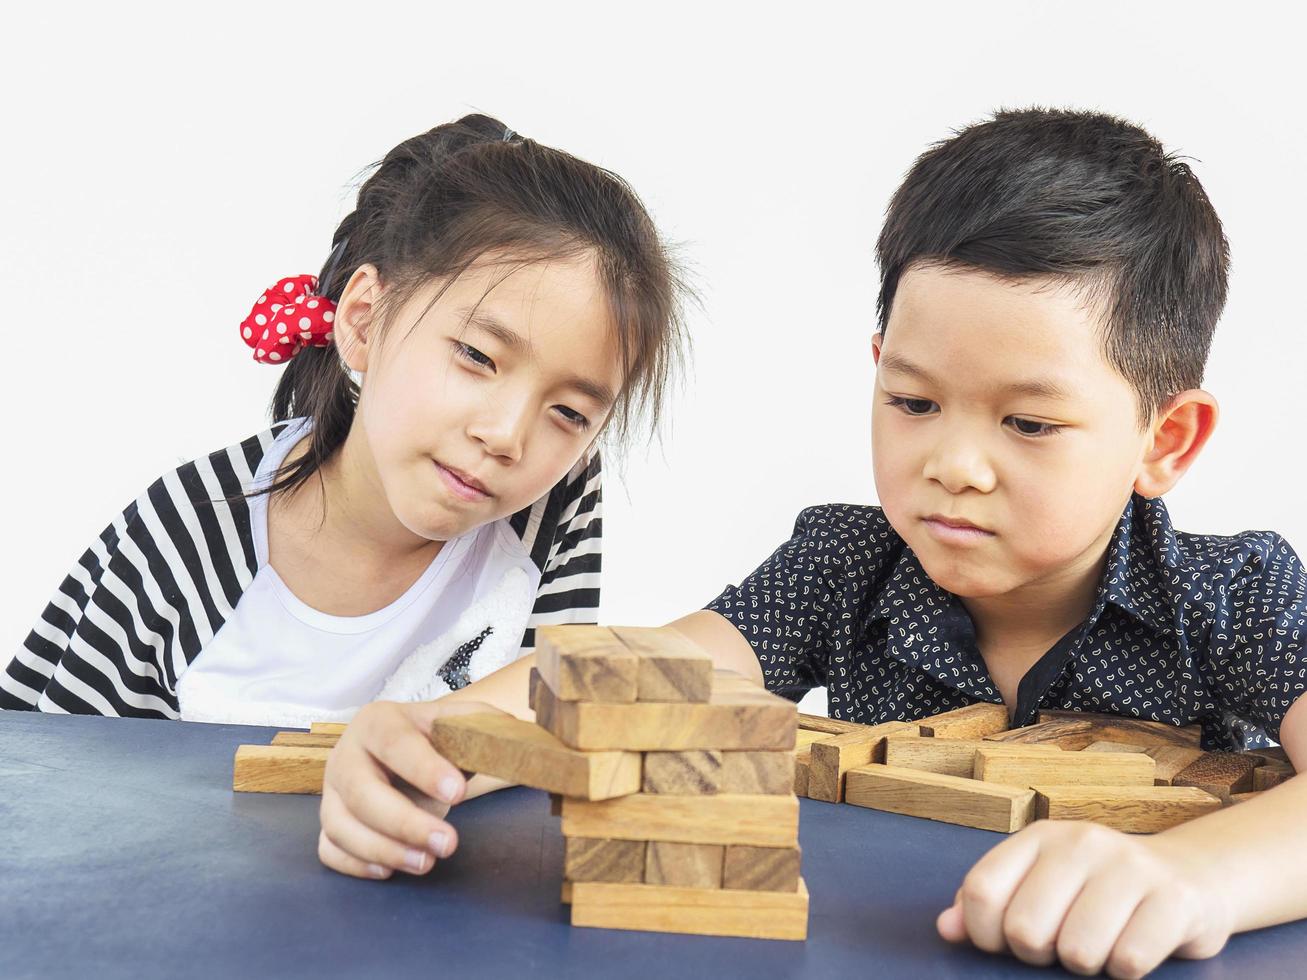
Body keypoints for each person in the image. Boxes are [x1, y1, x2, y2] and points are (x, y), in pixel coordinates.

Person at [322, 109, 1306, 977]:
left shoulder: (1233, 594)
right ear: (875, 368)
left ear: (1162, 439)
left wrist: (1189, 878)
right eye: (912, 402)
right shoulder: (842, 568)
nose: (953, 464)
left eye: (1028, 424)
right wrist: (433, 738)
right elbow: (648, 675)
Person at [2, 113, 685, 737]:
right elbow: (44, 784)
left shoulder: (551, 507)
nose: (507, 436)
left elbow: (544, 743)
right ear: (363, 322)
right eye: (478, 356)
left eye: (569, 413)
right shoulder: (185, 533)